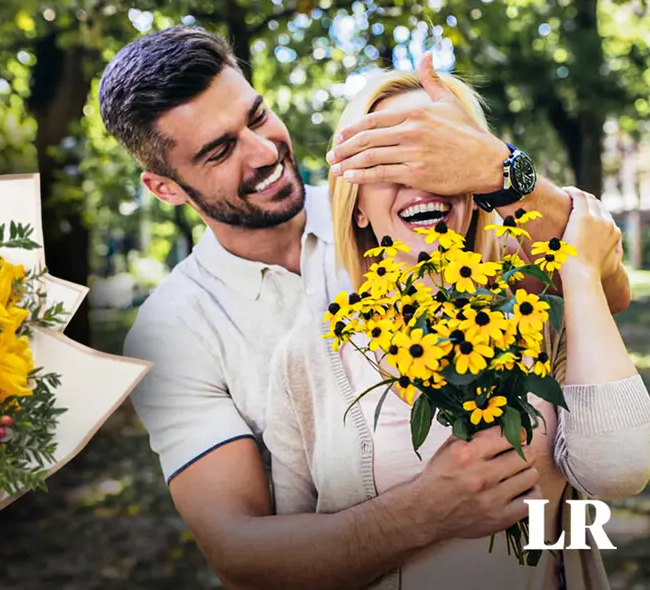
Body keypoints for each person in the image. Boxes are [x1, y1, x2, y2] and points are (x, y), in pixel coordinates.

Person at [99, 25, 632, 589]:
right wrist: (426, 511)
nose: (263, 152)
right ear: (165, 189)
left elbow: (602, 286)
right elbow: (239, 552)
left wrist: (502, 170)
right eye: (219, 150)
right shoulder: (172, 331)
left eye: (256, 117)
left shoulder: (400, 201)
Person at [262, 69, 650, 590]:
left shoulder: (536, 315)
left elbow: (622, 470)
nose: (422, 173)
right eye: (390, 153)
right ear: (354, 207)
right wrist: (424, 512)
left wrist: (576, 270)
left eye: (442, 150)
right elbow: (292, 565)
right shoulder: (307, 356)